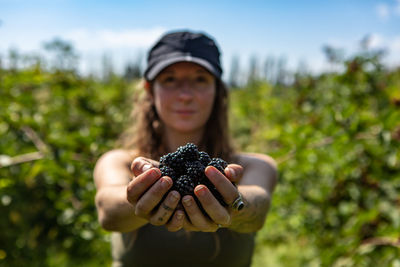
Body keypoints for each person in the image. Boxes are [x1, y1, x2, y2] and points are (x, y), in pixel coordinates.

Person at [93, 30, 277, 267]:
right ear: (150, 90)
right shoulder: (119, 161)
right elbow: (108, 212)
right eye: (170, 79)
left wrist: (233, 201)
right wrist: (144, 192)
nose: (185, 95)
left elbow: (258, 208)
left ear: (218, 91)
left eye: (200, 79)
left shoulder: (256, 165)